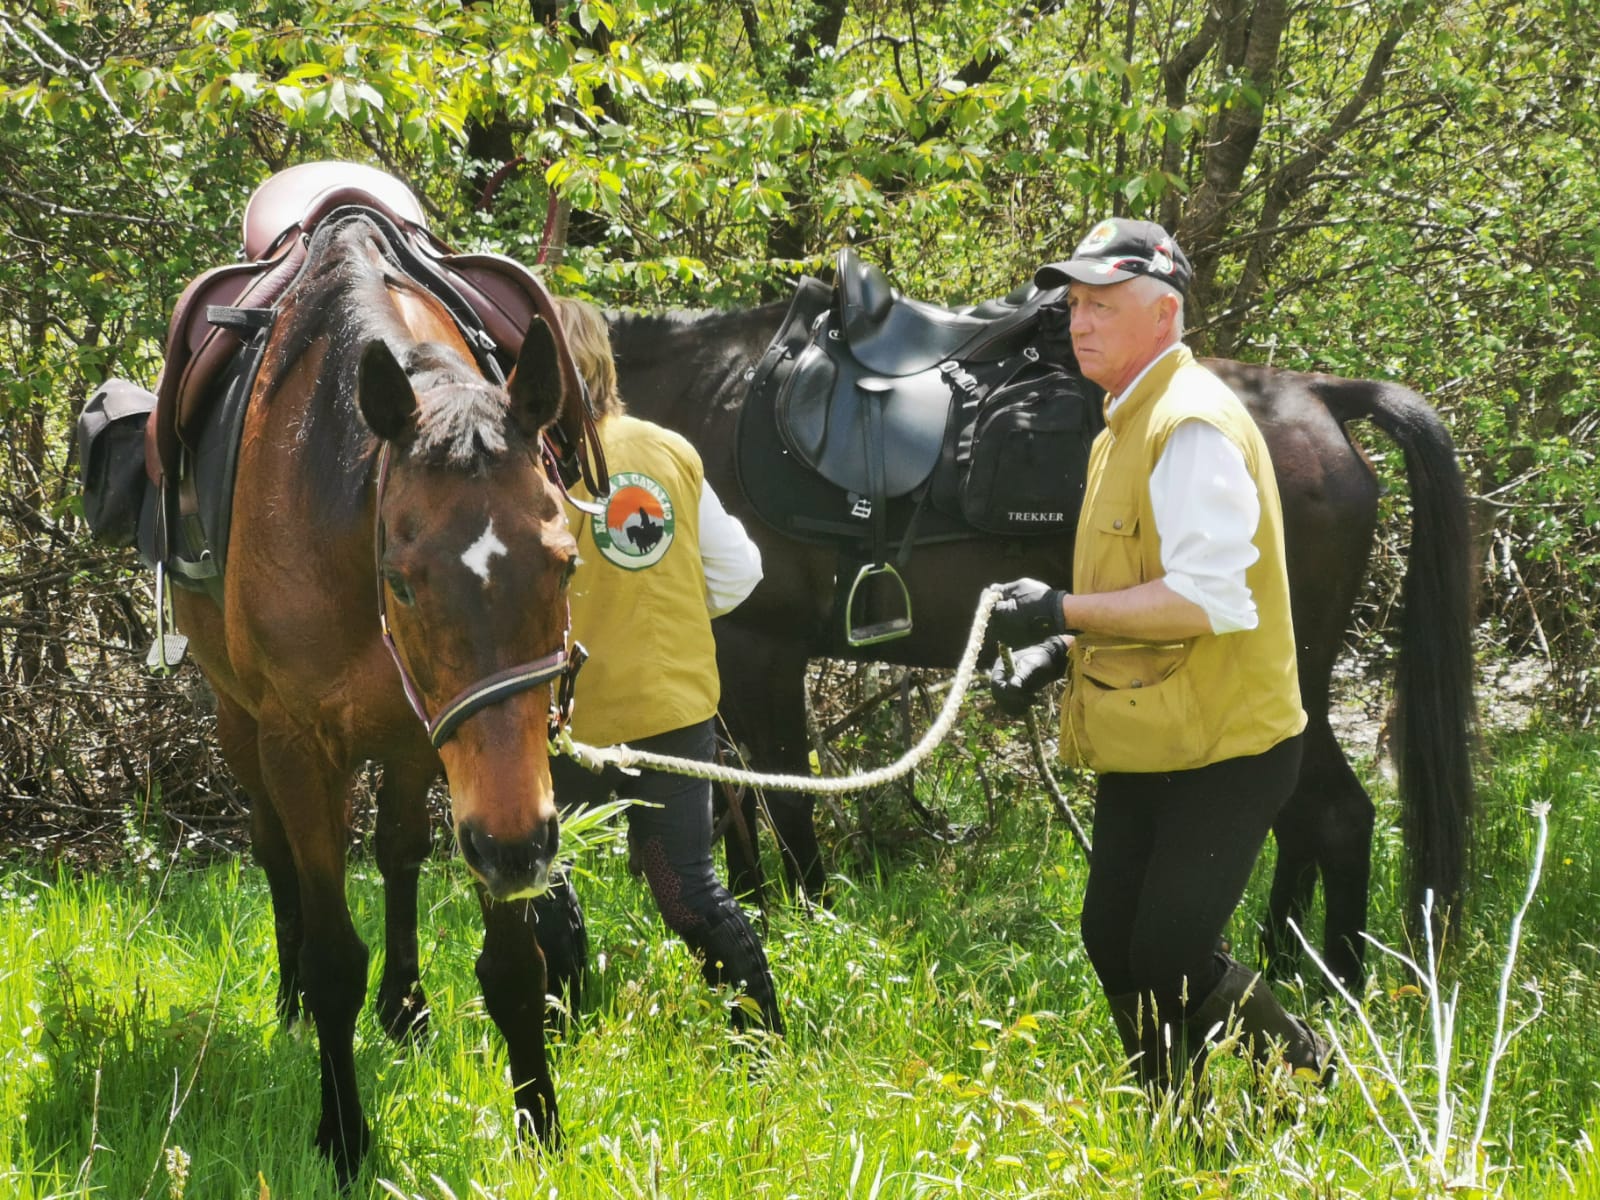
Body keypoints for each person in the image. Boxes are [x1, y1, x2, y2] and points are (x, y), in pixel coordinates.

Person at [986, 218, 1327, 1095]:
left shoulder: (1190, 425)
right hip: (1156, 730)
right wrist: (1060, 648)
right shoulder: (1124, 423)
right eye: (1074, 305)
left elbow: (1210, 600)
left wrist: (1059, 609)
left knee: (1170, 951)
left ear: (1165, 314)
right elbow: (1144, 584)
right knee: (1113, 940)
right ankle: (1171, 1116)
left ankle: (1308, 1076)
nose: (1079, 322)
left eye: (1102, 305)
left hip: (1228, 744)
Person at [534, 295, 782, 1039]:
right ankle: (764, 1042)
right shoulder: (667, 448)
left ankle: (562, 1037)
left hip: (567, 721)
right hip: (674, 708)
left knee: (539, 883)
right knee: (687, 890)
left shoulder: (526, 470)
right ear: (604, 364)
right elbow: (739, 574)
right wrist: (662, 612)